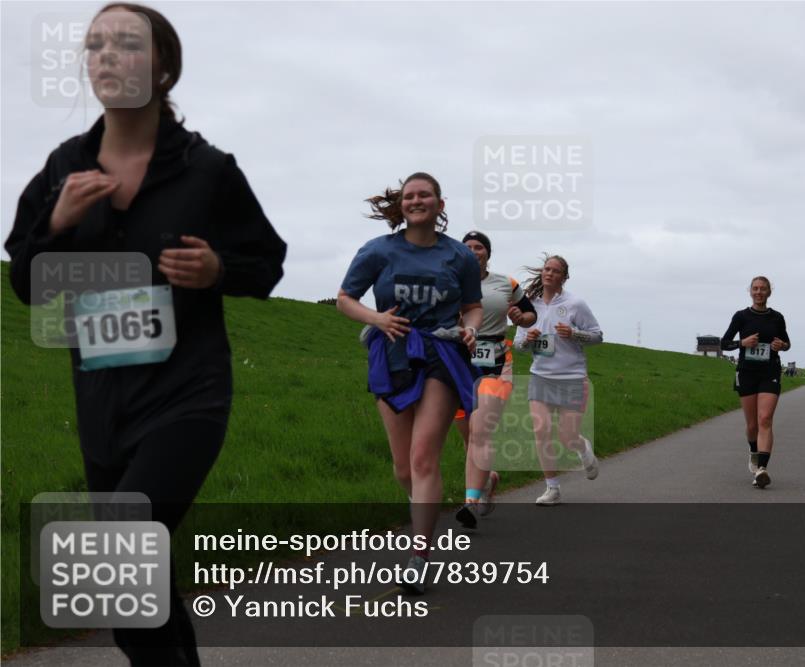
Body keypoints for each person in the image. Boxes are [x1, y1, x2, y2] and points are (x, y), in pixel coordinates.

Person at [5, 4, 287, 663]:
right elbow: (27, 281)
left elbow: (266, 261)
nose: (104, 55)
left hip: (187, 394)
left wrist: (219, 268)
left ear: (162, 66)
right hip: (101, 400)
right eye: (94, 44)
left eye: (125, 44)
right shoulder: (62, 168)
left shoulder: (207, 170)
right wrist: (58, 224)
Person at [337, 172, 482, 594]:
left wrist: (470, 328)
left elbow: (472, 307)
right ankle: (422, 504)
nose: (417, 200)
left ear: (439, 204)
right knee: (403, 467)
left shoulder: (460, 257)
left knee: (422, 458)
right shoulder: (379, 251)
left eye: (425, 195)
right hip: (393, 353)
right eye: (409, 196)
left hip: (440, 352)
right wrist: (377, 318)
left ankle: (419, 556)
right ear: (402, 205)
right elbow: (346, 298)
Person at [453, 231, 536, 528]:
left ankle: (471, 503)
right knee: (469, 437)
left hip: (496, 360)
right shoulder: (449, 280)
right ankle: (489, 478)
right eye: (468, 248)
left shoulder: (506, 283)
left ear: (488, 254)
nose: (474, 251)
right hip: (458, 362)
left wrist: (519, 318)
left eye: (479, 247)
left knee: (480, 430)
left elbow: (529, 315)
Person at [513, 255, 602, 506]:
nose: (549, 273)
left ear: (564, 277)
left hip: (572, 377)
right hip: (540, 376)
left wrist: (574, 333)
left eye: (555, 271)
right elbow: (518, 345)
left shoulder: (576, 304)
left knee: (567, 436)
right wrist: (527, 339)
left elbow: (597, 336)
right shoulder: (529, 305)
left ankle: (582, 448)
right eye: (546, 269)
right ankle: (552, 488)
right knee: (541, 431)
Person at [721, 276, 790, 489]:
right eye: (755, 288)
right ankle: (753, 450)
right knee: (752, 425)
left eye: (763, 289)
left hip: (770, 371)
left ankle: (762, 469)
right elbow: (724, 343)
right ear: (750, 292)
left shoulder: (777, 318)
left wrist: (781, 345)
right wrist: (742, 343)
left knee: (765, 419)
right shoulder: (741, 316)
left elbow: (787, 343)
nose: (759, 292)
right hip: (747, 372)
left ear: (769, 292)